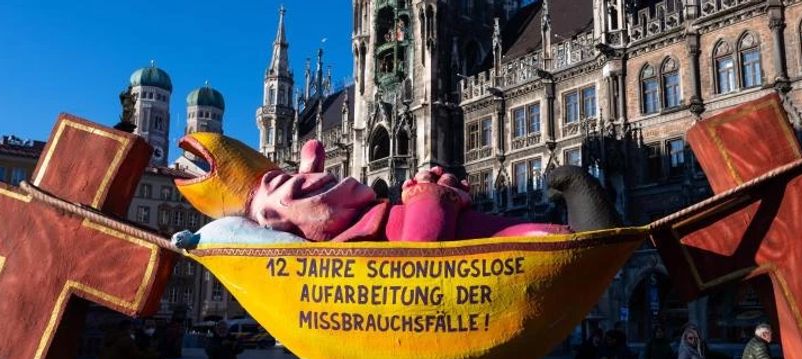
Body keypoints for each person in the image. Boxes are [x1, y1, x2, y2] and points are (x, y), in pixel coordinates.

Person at [173, 134, 623, 246]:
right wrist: (430, 195)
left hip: (447, 219)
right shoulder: (357, 235)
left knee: (520, 232)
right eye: (287, 178)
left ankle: (580, 233)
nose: (311, 166)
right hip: (432, 224)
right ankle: (581, 233)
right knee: (519, 236)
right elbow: (420, 242)